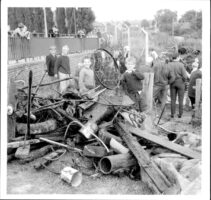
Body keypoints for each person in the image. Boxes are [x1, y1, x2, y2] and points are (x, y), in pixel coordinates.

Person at [169, 53, 188, 118]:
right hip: (180, 82)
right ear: (178, 57)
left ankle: (172, 114)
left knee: (173, 99)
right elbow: (185, 76)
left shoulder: (169, 64)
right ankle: (180, 114)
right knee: (181, 99)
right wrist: (183, 80)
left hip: (172, 82)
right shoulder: (181, 65)